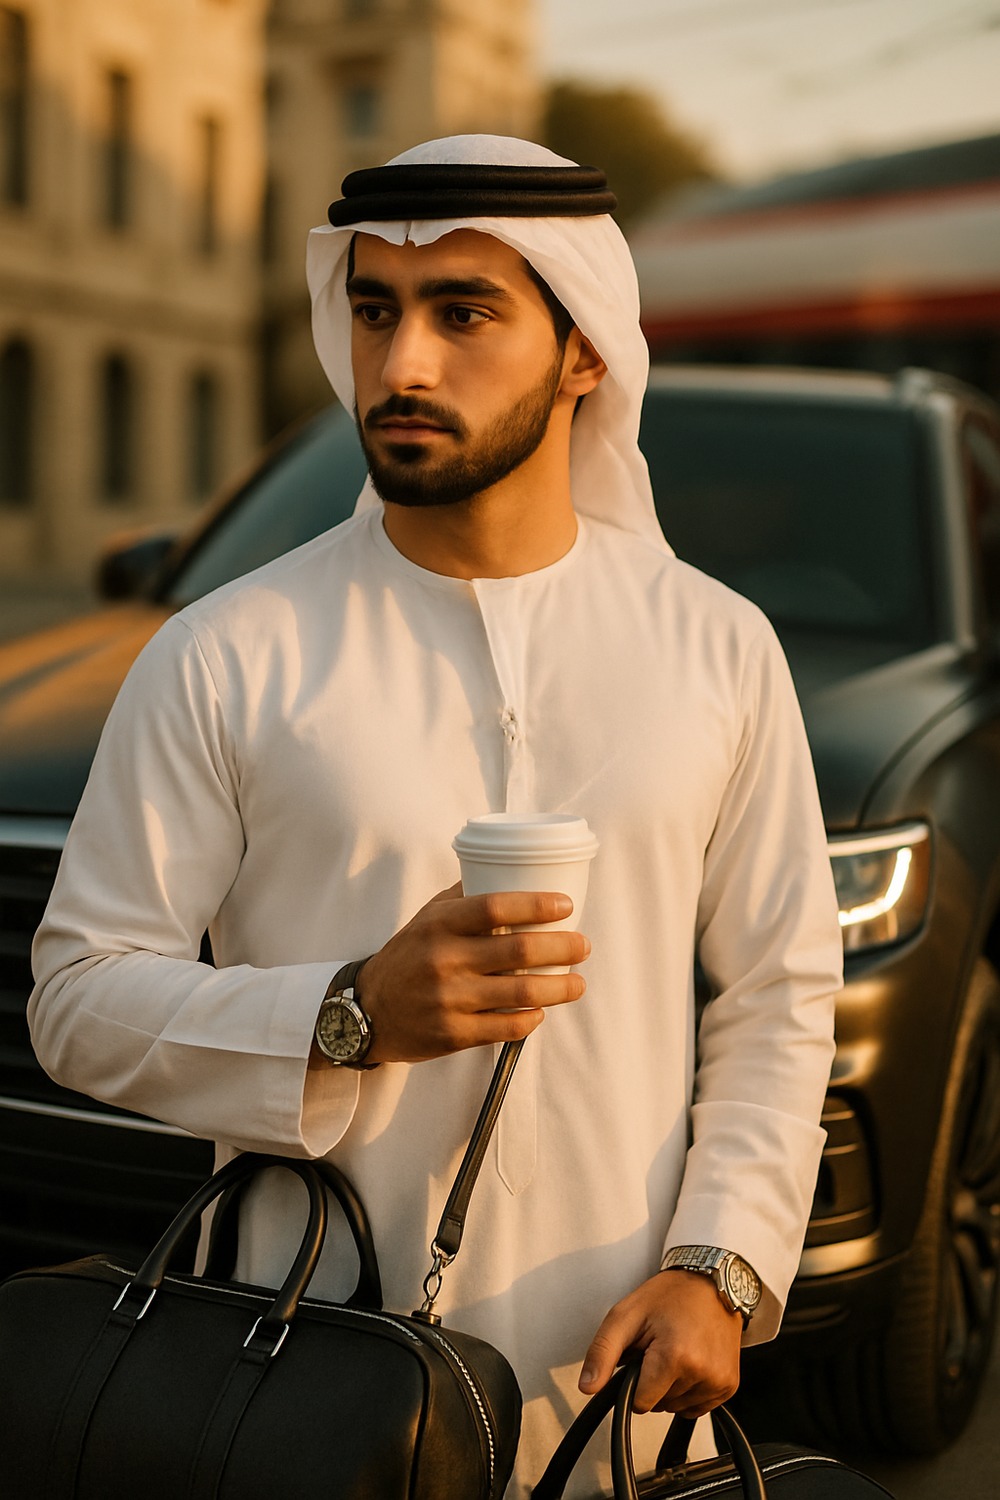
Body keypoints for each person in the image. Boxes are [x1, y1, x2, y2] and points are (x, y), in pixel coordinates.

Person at [29, 135, 842, 1497]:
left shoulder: (717, 647)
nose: (402, 366)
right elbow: (76, 998)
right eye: (373, 311)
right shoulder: (229, 650)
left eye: (463, 313)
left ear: (584, 348)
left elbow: (778, 989)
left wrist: (720, 1264)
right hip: (300, 1380)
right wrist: (346, 1015)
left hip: (614, 1390)